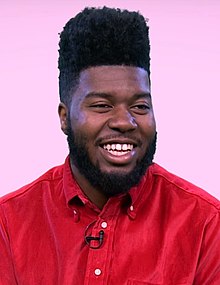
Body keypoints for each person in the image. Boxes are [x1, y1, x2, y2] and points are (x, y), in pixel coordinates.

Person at [0, 6, 219, 285]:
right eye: (102, 105)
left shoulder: (206, 225)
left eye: (140, 106)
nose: (125, 122)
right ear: (65, 118)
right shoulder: (8, 224)